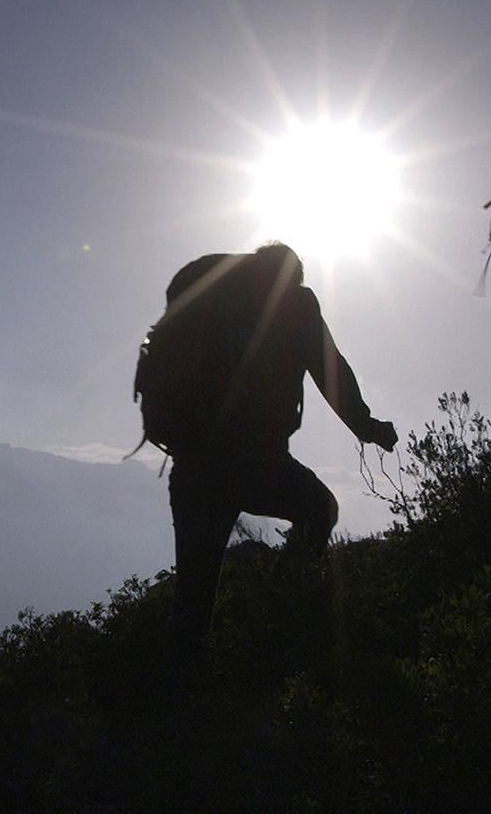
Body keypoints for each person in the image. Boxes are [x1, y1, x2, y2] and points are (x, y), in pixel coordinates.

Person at [140, 242, 398, 676]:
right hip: (259, 465)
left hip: (192, 469)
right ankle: (276, 608)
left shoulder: (214, 303)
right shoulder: (296, 305)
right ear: (293, 277)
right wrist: (368, 428)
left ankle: (174, 706)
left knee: (193, 599)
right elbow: (331, 373)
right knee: (320, 510)